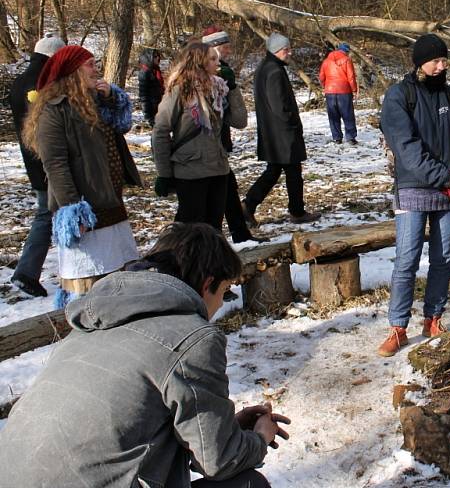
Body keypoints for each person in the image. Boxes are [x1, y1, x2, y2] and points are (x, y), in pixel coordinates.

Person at [0, 222, 290, 488]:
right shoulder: (193, 338)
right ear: (207, 284)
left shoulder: (92, 321)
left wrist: (225, 428)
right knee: (249, 484)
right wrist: (259, 439)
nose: (220, 305)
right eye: (225, 291)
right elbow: (220, 460)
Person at [378, 34, 450, 357]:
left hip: (449, 190)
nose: (441, 66)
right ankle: (398, 326)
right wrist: (444, 177)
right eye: (435, 60)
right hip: (412, 188)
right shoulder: (399, 96)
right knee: (406, 259)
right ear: (419, 62)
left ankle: (433, 318)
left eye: (444, 60)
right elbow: (407, 149)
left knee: (442, 258)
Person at [21, 45, 141, 308]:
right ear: (71, 71)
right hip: (85, 209)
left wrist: (112, 99)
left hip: (110, 202)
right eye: (90, 64)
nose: (96, 69)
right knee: (88, 280)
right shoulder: (54, 111)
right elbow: (55, 165)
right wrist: (74, 211)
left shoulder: (96, 103)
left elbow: (123, 124)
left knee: (118, 272)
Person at [152, 41, 247, 230]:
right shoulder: (179, 89)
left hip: (218, 168)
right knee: (191, 228)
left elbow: (239, 121)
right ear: (198, 61)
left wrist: (233, 88)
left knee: (213, 229)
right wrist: (164, 174)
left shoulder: (219, 89)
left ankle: (212, 259)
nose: (217, 64)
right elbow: (160, 131)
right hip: (190, 169)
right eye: (212, 59)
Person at [6, 33, 65, 298]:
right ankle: (27, 273)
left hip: (34, 161)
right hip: (48, 163)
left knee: (48, 214)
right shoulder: (43, 83)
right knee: (48, 215)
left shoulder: (20, 82)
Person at [243, 32, 321, 225]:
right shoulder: (275, 71)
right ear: (277, 50)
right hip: (283, 134)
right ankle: (296, 211)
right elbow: (279, 106)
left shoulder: (265, 68)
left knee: (275, 171)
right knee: (292, 173)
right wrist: (293, 122)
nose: (290, 53)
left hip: (273, 133)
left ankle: (249, 205)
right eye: (287, 50)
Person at [201, 25, 258, 243]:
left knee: (229, 191)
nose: (229, 50)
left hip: (219, 145)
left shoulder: (224, 73)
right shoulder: (198, 77)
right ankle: (213, 242)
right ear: (212, 48)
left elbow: (238, 120)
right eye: (225, 47)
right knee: (206, 204)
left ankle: (240, 236)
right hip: (202, 152)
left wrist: (231, 87)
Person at [319, 42, 359, 144]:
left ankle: (337, 138)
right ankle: (350, 137)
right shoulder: (347, 60)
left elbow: (321, 77)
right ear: (346, 51)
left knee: (333, 115)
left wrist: (325, 86)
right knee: (347, 114)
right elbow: (351, 77)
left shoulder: (326, 61)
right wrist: (354, 89)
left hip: (329, 91)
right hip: (344, 90)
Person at [137, 47, 164, 126]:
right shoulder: (144, 72)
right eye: (155, 56)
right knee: (157, 132)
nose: (158, 58)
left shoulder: (156, 70)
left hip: (159, 105)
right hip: (152, 108)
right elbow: (143, 95)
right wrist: (148, 116)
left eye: (158, 56)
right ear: (149, 58)